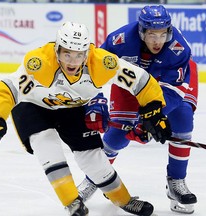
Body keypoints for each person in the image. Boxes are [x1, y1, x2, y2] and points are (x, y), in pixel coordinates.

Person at [0, 21, 171, 216]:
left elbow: (141, 81)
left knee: (94, 158)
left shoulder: (101, 63)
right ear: (57, 50)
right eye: (67, 53)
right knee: (46, 144)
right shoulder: (40, 62)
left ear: (87, 53)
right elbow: (8, 89)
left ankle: (123, 200)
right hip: (33, 107)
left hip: (72, 107)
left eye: (78, 55)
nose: (72, 61)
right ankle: (72, 202)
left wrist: (154, 110)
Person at [77, 5, 198, 214]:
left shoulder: (178, 48)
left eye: (162, 34)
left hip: (167, 87)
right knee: (117, 135)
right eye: (152, 34)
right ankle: (95, 179)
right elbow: (92, 70)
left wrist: (154, 116)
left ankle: (176, 182)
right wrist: (95, 99)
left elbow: (174, 90)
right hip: (130, 83)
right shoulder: (120, 40)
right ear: (142, 32)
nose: (157, 41)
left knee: (183, 118)